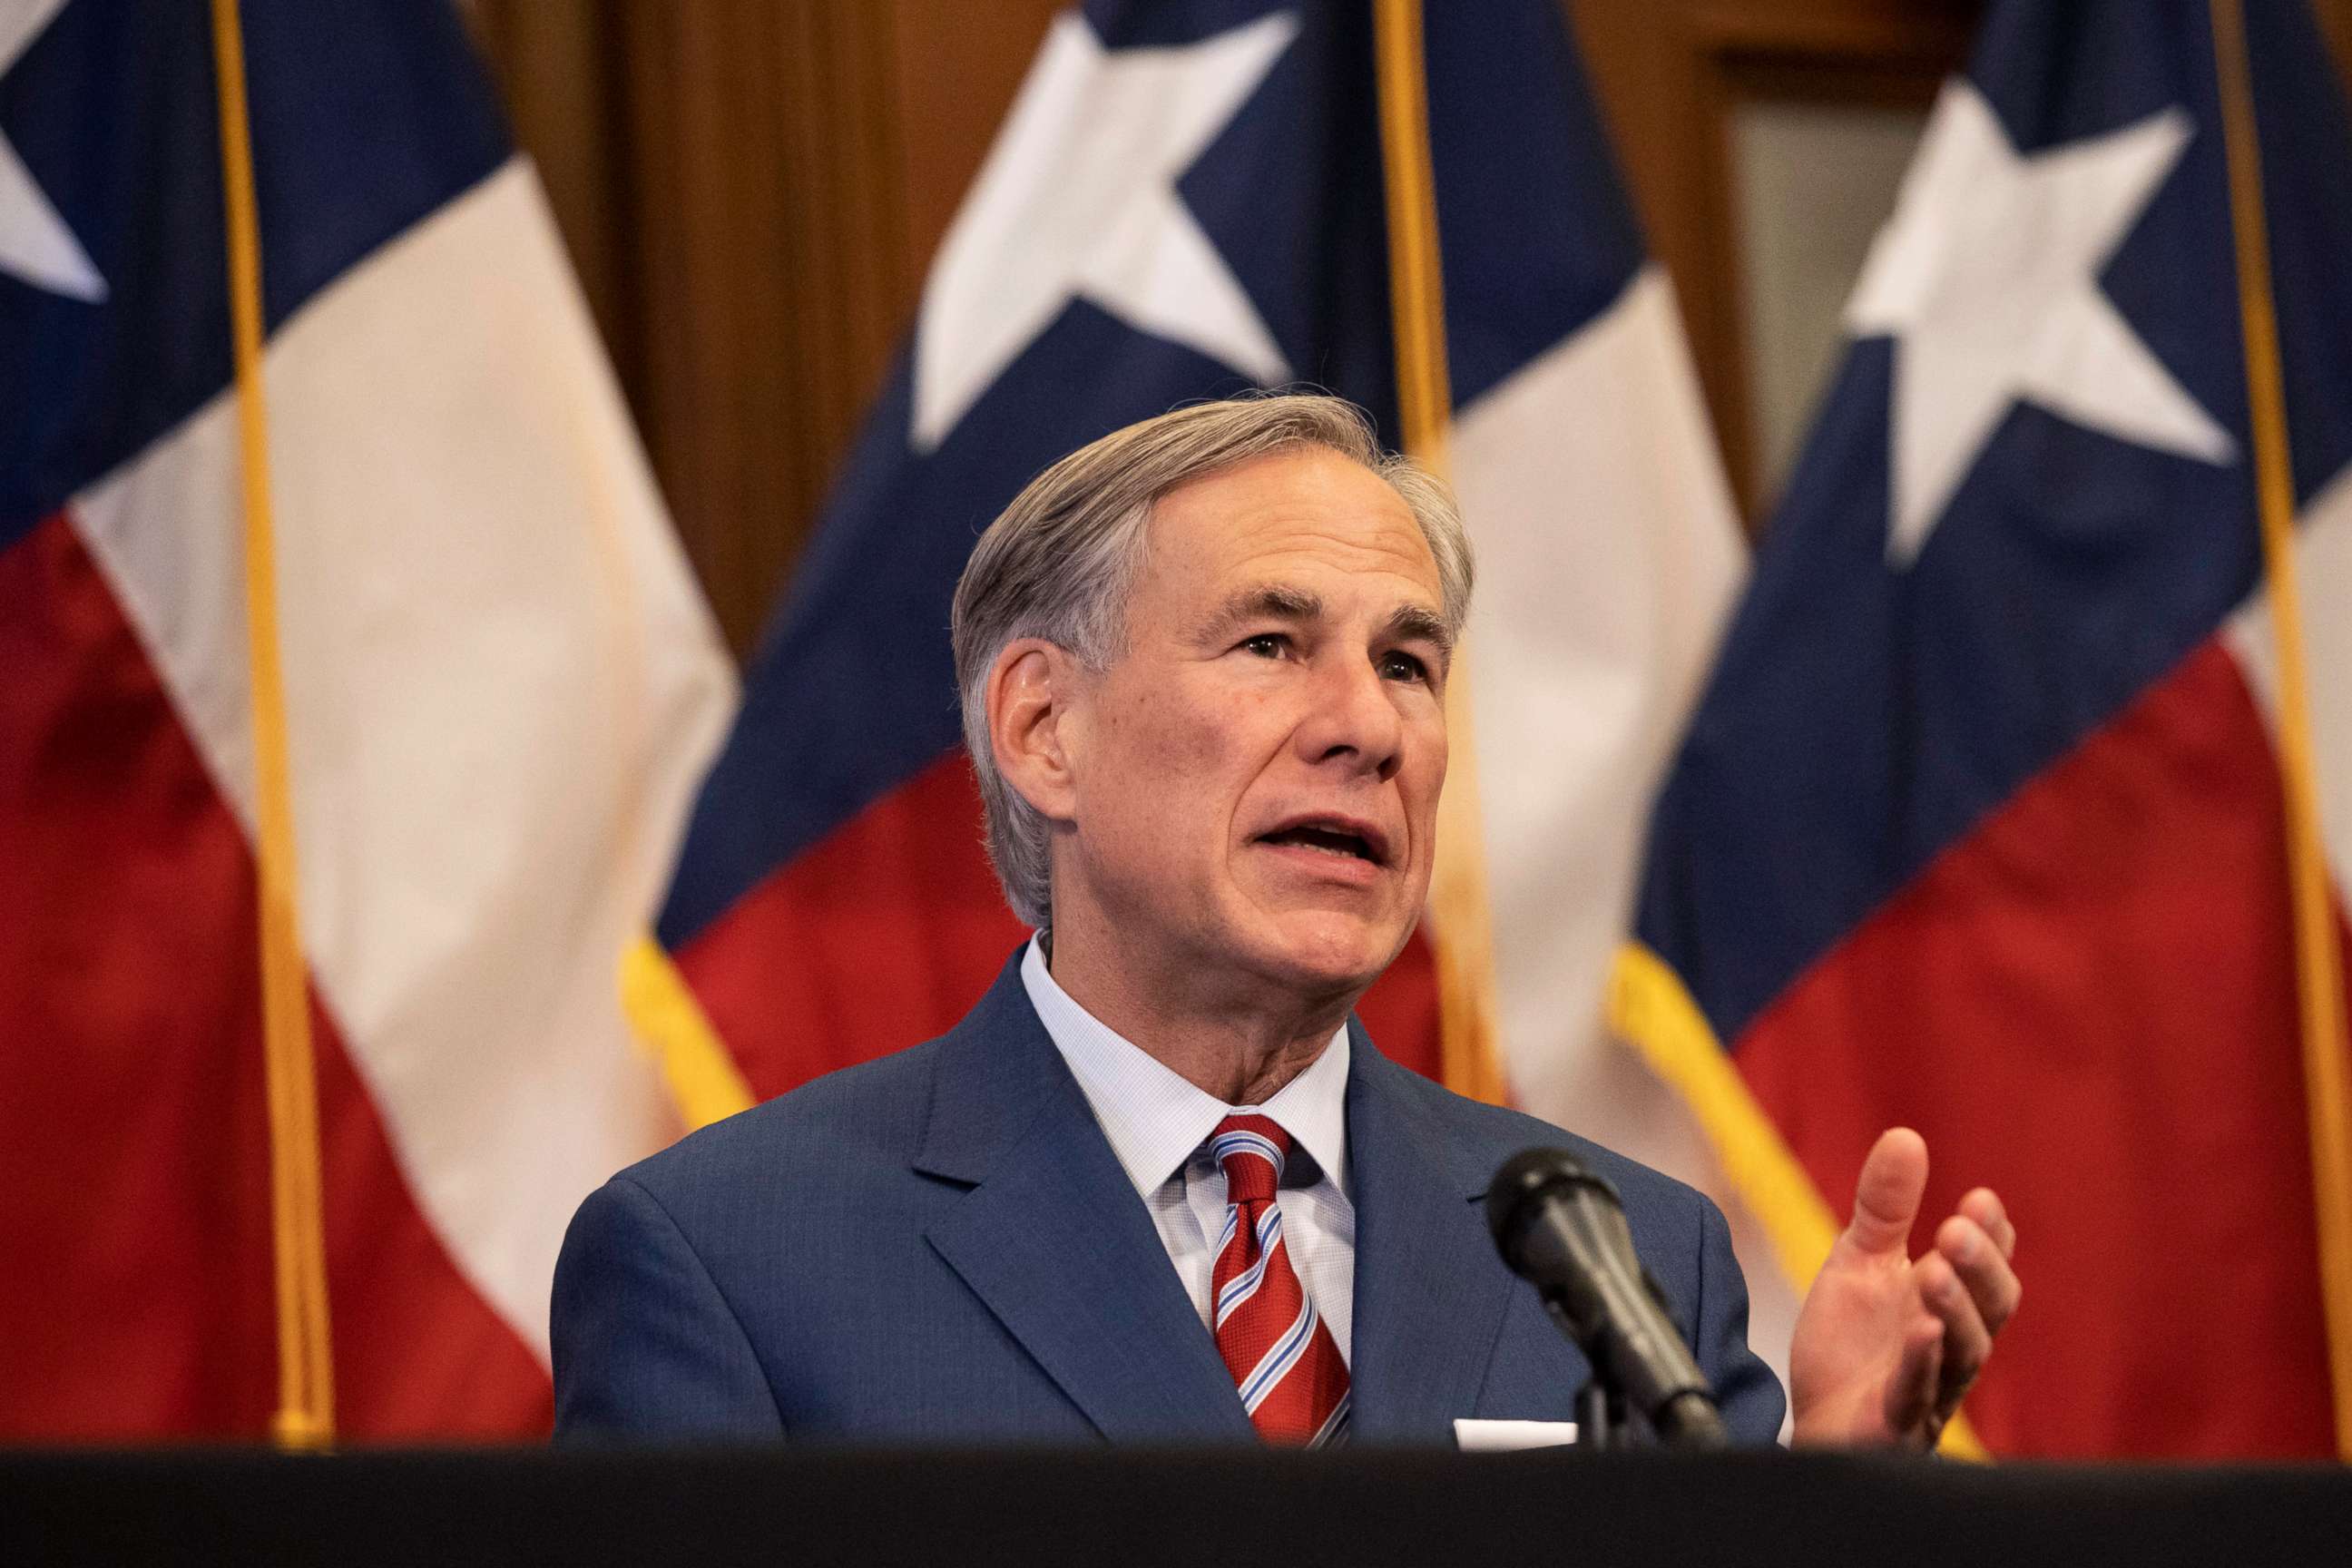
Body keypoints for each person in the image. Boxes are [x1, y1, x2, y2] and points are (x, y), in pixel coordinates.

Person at [552, 394, 2018, 1446]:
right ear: (1045, 729)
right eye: (1271, 644)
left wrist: (1829, 1512)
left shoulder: (1629, 1257)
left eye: (1409, 664)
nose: (1367, 727)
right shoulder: (733, 1262)